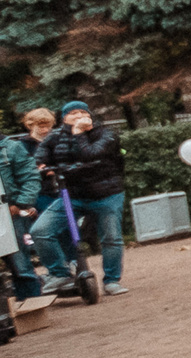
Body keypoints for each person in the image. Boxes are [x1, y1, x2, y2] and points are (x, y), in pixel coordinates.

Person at [33, 100, 128, 295]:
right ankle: (60, 274)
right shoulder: (54, 138)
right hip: (72, 196)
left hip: (107, 194)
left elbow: (92, 155)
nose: (78, 116)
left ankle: (111, 281)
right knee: (40, 231)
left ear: (90, 115)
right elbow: (39, 161)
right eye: (73, 113)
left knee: (111, 238)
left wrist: (78, 134)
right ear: (64, 118)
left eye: (82, 112)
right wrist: (42, 168)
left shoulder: (106, 134)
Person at [3, 106, 53, 325]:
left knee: (20, 264)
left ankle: (33, 313)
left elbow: (30, 178)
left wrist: (21, 204)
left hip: (10, 215)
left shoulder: (10, 148)